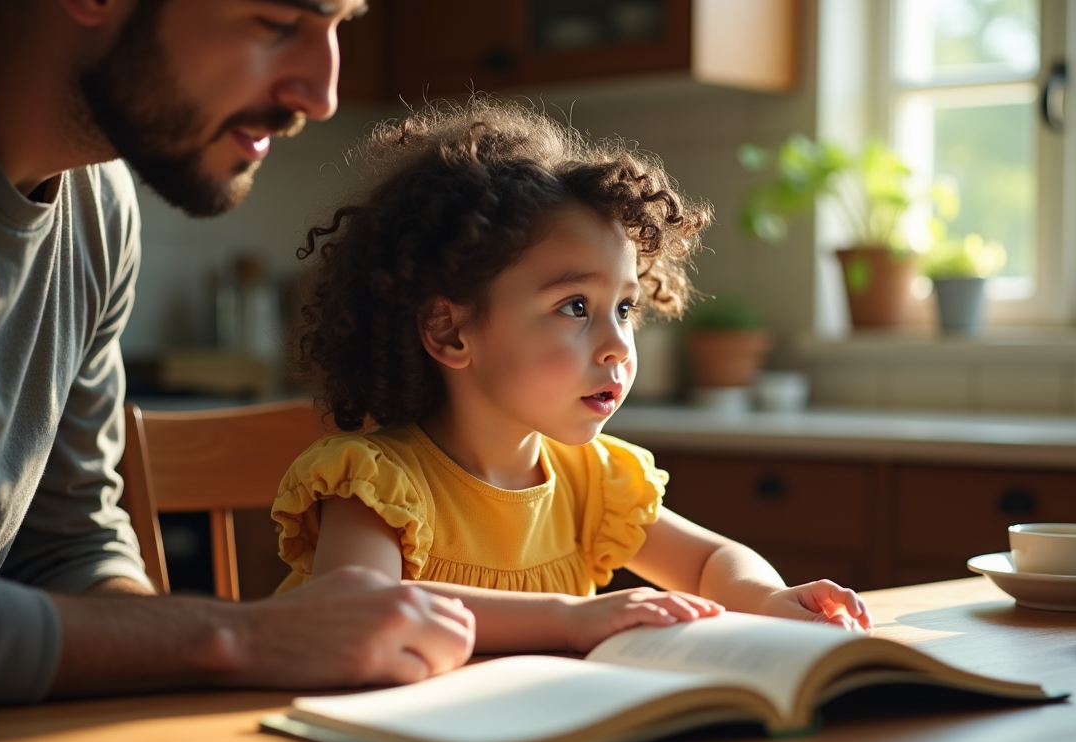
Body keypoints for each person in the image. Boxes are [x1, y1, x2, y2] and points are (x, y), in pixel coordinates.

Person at [0, 0, 475, 706]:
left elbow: (67, 547)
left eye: (341, 27)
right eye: (278, 21)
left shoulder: (101, 210)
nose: (323, 93)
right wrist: (235, 638)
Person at [272, 98, 873, 654]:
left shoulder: (593, 482)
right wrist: (569, 617)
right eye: (575, 307)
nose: (617, 346)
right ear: (450, 331)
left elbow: (710, 561)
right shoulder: (378, 487)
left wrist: (767, 599)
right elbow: (362, 606)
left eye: (626, 308)